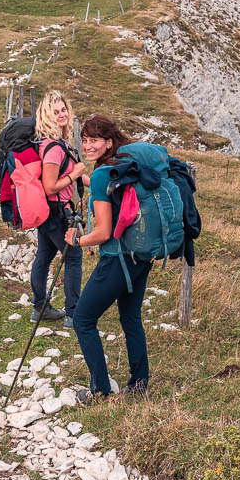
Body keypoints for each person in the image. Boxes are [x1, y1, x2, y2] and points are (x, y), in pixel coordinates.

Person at [64, 114, 152, 403]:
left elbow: (102, 233)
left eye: (94, 141)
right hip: (140, 255)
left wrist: (78, 240)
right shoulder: (122, 167)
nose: (88, 146)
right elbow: (112, 195)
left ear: (108, 142)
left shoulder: (104, 175)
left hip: (116, 259)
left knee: (83, 318)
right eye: (85, 140)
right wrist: (87, 180)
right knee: (130, 317)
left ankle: (99, 389)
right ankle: (140, 383)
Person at [30, 90, 88, 328]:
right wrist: (74, 174)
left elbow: (78, 176)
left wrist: (104, 182)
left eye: (63, 109)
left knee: (44, 257)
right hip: (57, 212)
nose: (61, 114)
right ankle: (73, 313)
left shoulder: (61, 144)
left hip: (49, 211)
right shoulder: (53, 148)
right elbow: (50, 186)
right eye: (55, 112)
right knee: (74, 257)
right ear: (46, 115)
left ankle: (40, 308)